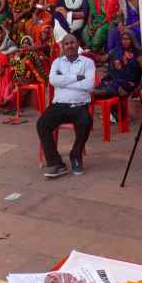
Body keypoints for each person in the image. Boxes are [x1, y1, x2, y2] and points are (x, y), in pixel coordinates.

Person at [37, 34, 96, 178]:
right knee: (42, 124)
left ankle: (76, 156)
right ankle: (56, 163)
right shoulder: (57, 62)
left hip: (79, 105)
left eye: (72, 43)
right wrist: (77, 78)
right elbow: (52, 81)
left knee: (86, 122)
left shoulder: (87, 62)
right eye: (66, 43)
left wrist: (63, 81)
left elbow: (88, 84)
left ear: (78, 45)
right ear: (63, 47)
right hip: (59, 105)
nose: (70, 45)